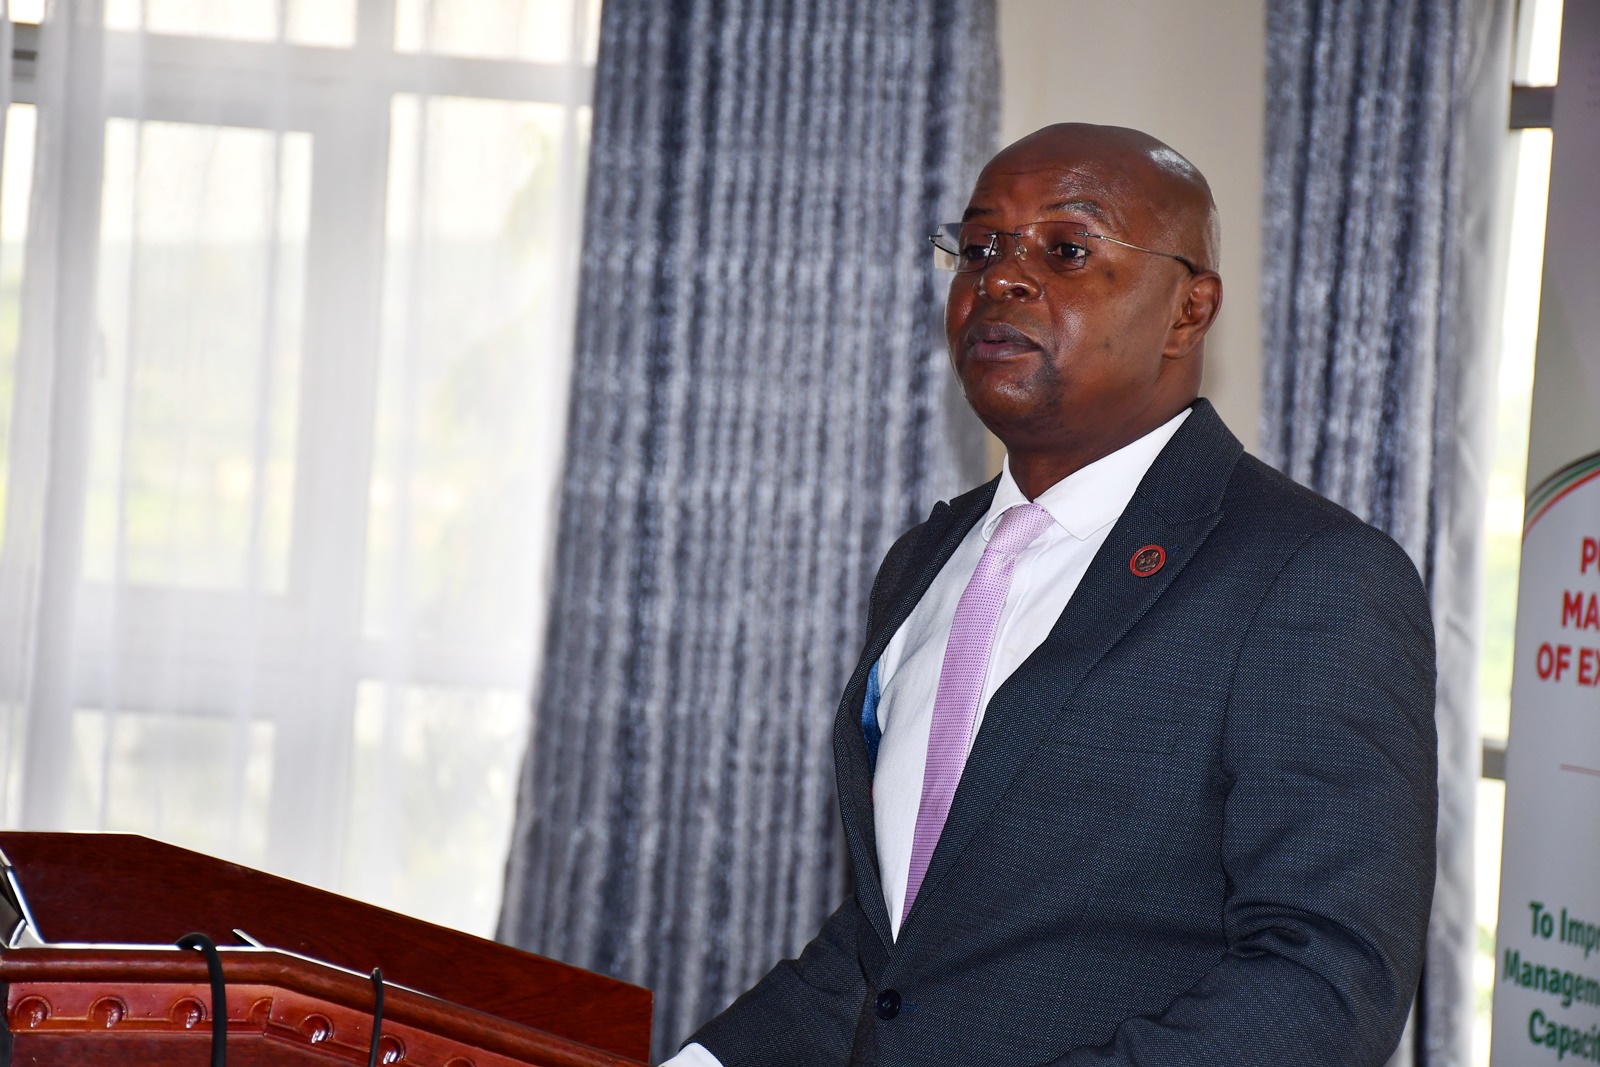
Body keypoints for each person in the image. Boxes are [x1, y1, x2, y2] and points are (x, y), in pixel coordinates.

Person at [665, 123, 1437, 1067]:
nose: (1001, 278)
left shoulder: (1310, 574)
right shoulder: (926, 559)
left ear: (1189, 311)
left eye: (1066, 249)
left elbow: (1323, 983)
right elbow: (896, 961)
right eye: (980, 247)